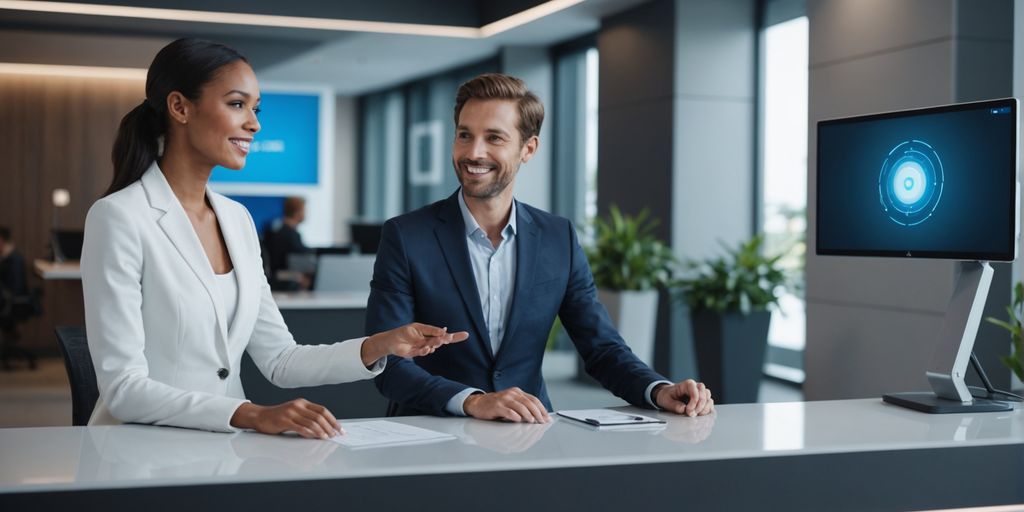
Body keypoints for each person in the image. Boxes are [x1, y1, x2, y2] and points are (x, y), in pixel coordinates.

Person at [82, 38, 467, 438]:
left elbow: (281, 360)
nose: (254, 123)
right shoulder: (119, 217)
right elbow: (123, 389)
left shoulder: (237, 220)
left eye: (255, 108)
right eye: (236, 104)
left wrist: (380, 345)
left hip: (220, 453)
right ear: (179, 107)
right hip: (136, 452)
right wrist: (251, 414)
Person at [368, 73, 714, 422]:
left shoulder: (557, 237)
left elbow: (602, 348)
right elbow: (388, 363)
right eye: (464, 135)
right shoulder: (406, 236)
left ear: (528, 149)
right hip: (429, 432)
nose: (474, 152)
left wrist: (657, 390)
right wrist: (472, 400)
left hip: (530, 432)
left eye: (494, 138)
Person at [263, 196, 311, 290]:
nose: (306, 214)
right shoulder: (292, 236)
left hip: (272, 280)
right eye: (304, 210)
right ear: (297, 212)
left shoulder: (274, 231)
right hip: (285, 284)